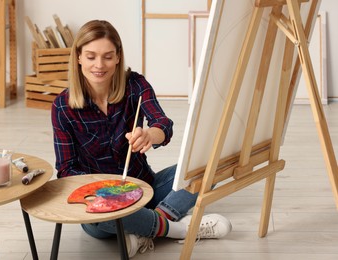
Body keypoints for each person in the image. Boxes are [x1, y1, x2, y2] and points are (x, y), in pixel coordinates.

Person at [51, 20, 232, 258]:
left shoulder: (135, 84)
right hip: (100, 206)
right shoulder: (62, 107)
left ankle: (148, 227)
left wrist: (149, 135)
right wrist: (104, 193)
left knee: (209, 166)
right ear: (78, 58)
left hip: (144, 188)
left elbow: (163, 125)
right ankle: (179, 229)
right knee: (101, 219)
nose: (99, 65)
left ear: (118, 57)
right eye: (91, 56)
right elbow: (66, 170)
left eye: (107, 56)